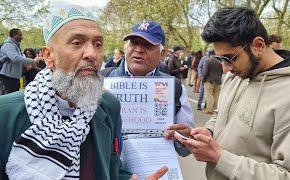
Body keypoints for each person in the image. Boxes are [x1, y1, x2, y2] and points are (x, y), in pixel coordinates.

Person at [0, 5, 167, 180]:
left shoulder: (109, 106)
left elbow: (112, 169)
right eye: (77, 43)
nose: (92, 54)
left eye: (98, 44)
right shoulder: (5, 114)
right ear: (48, 56)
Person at [173, 7, 290, 180]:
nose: (225, 68)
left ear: (258, 45)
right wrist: (207, 133)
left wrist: (220, 157)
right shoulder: (237, 75)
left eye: (229, 58)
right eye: (220, 59)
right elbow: (221, 115)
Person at [108, 21, 195, 157]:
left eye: (147, 45)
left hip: (156, 171)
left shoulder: (175, 88)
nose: (138, 49)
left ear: (162, 54)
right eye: (134, 43)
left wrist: (185, 139)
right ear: (126, 48)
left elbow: (186, 148)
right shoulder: (102, 82)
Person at [0, 28, 42, 94]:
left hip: (14, 77)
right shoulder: (8, 45)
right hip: (8, 77)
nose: (21, 37)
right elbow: (15, 58)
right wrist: (32, 61)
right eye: (19, 35)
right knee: (8, 97)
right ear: (13, 35)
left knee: (13, 96)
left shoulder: (15, 45)